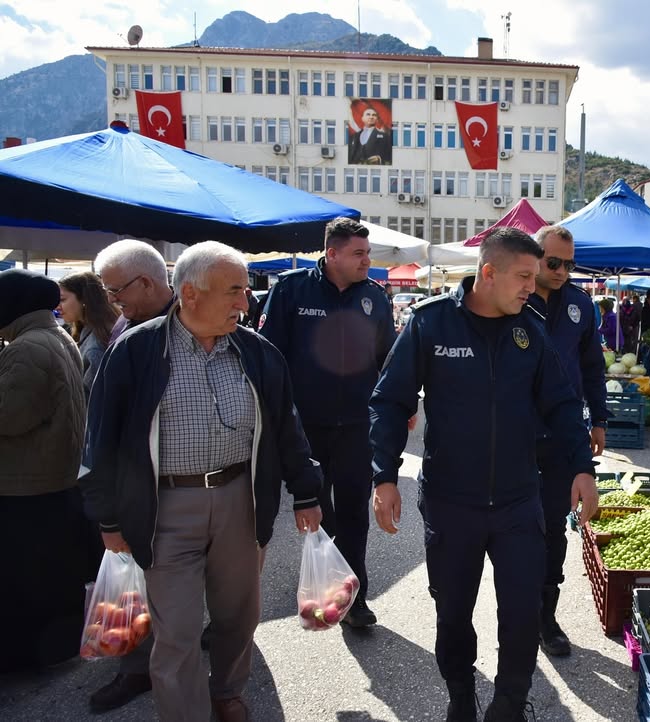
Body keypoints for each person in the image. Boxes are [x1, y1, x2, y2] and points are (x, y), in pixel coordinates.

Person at [81, 242, 323, 722]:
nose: (245, 301)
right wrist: (108, 519)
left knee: (238, 616)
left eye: (245, 289)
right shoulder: (136, 350)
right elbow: (100, 441)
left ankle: (227, 691)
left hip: (241, 501)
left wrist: (306, 491)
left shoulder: (258, 352)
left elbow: (286, 426)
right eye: (234, 290)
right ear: (190, 293)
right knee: (176, 630)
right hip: (165, 508)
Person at [368, 228, 597, 722]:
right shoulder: (431, 323)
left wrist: (582, 465)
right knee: (452, 614)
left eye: (535, 277)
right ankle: (459, 695)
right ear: (488, 273)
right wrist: (383, 475)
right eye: (523, 277)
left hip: (519, 501)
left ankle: (510, 703)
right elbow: (389, 401)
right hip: (451, 503)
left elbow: (561, 404)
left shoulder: (530, 329)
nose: (532, 287)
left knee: (521, 614)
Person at [259, 217, 394, 629]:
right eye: (359, 254)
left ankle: (355, 598)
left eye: (368, 253)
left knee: (354, 513)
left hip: (356, 426)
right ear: (332, 253)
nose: (367, 261)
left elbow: (388, 361)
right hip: (305, 428)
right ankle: (330, 574)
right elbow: (268, 356)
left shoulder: (374, 297)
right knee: (319, 509)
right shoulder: (291, 290)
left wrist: (397, 408)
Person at [86, 239, 177, 713]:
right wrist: (108, 513)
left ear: (144, 283)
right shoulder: (128, 327)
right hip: (138, 488)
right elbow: (105, 429)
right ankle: (139, 665)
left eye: (115, 290)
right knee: (139, 582)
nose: (110, 300)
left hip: (186, 489)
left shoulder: (194, 325)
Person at [524, 224, 608, 658]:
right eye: (553, 262)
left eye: (569, 264)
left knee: (554, 530)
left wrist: (600, 419)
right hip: (516, 434)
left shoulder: (580, 304)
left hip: (563, 433)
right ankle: (517, 614)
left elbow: (592, 367)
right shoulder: (514, 299)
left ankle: (546, 618)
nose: (561, 271)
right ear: (535, 256)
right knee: (515, 531)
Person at [0, 270, 89, 673]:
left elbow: (11, 417)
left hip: (26, 484)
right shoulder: (54, 336)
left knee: (25, 580)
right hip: (52, 478)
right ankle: (50, 649)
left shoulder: (27, 348)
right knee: (49, 575)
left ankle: (25, 657)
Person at [96, 239, 178, 345]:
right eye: (107, 291)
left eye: (115, 290)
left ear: (146, 284)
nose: (111, 299)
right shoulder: (127, 318)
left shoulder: (190, 325)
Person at [57, 270, 119, 395]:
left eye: (62, 300)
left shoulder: (96, 345)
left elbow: (92, 398)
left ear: (84, 300)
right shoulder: (94, 330)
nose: (57, 306)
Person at [347, 100, 392, 165]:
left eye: (374, 115)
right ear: (362, 118)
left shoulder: (385, 137)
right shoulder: (354, 137)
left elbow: (389, 157)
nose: (371, 117)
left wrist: (380, 160)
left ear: (377, 119)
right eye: (368, 114)